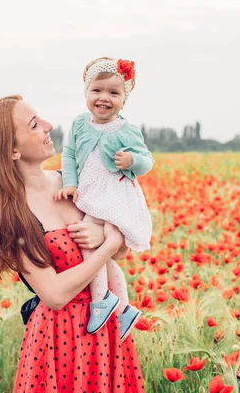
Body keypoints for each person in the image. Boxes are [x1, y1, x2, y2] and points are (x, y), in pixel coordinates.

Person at [0, 95, 145, 392]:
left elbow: (122, 247)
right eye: (34, 124)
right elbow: (54, 294)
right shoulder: (11, 214)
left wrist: (108, 238)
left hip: (107, 327)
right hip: (61, 339)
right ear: (12, 150)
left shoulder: (73, 182)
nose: (48, 126)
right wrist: (107, 246)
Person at [54, 57, 153, 340]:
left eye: (114, 93)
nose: (104, 98)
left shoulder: (127, 130)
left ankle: (101, 302)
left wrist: (132, 159)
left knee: (90, 247)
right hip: (90, 192)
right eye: (97, 91)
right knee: (106, 257)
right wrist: (70, 184)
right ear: (86, 93)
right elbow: (70, 155)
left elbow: (147, 162)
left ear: (124, 98)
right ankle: (123, 308)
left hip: (114, 193)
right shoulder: (78, 124)